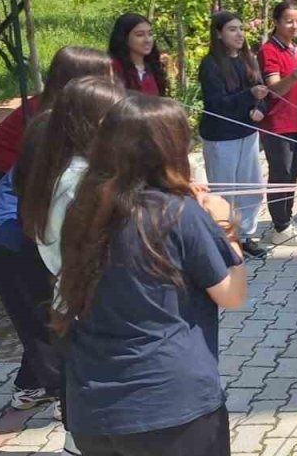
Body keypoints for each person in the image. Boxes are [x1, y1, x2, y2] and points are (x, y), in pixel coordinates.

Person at [55, 96, 247, 456]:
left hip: (93, 409)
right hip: (169, 409)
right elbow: (232, 295)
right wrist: (225, 227)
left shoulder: (82, 208)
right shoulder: (179, 214)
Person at [0, 115, 58, 412]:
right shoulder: (62, 151)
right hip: (2, 238)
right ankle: (62, 397)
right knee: (43, 315)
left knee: (44, 312)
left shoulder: (58, 138)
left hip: (10, 232)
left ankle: (30, 385)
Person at [20, 77, 127, 279]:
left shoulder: (59, 163)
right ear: (96, 125)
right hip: (89, 297)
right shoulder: (80, 183)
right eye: (120, 119)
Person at [0, 46, 114, 193]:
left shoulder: (71, 106)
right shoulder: (49, 114)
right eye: (106, 78)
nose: (113, 83)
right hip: (4, 179)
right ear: (83, 80)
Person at [197, 11, 270, 259]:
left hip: (248, 134)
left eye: (241, 28)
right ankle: (224, 240)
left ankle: (246, 235)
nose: (239, 34)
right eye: (232, 29)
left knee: (252, 187)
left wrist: (260, 109)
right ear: (218, 34)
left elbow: (262, 93)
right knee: (225, 191)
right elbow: (217, 104)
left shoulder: (249, 59)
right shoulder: (211, 65)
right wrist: (251, 96)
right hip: (221, 137)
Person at [258, 0, 297, 246]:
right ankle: (280, 226)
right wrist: (292, 78)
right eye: (288, 21)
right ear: (276, 22)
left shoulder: (296, 49)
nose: (294, 25)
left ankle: (286, 221)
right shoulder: (269, 50)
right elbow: (273, 89)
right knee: (281, 174)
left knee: (294, 172)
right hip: (278, 124)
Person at [108, 12, 168, 96]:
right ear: (124, 37)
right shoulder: (112, 67)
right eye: (140, 35)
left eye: (150, 34)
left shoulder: (153, 67)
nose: (147, 40)